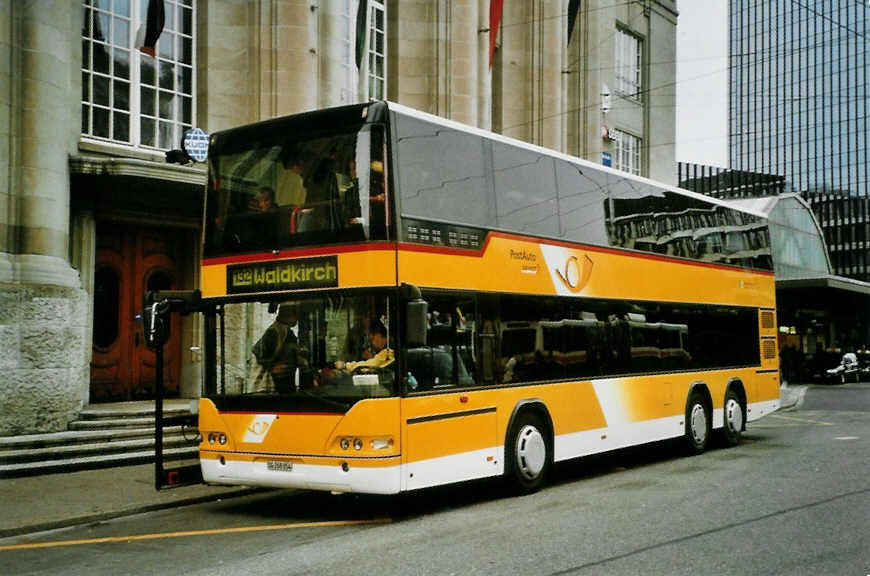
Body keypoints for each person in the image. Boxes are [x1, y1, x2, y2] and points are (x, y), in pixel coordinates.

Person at [252, 303, 309, 392]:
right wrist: (274, 367)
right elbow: (258, 353)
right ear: (289, 313)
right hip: (272, 390)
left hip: (285, 387)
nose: (298, 319)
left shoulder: (286, 332)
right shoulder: (274, 332)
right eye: (297, 314)